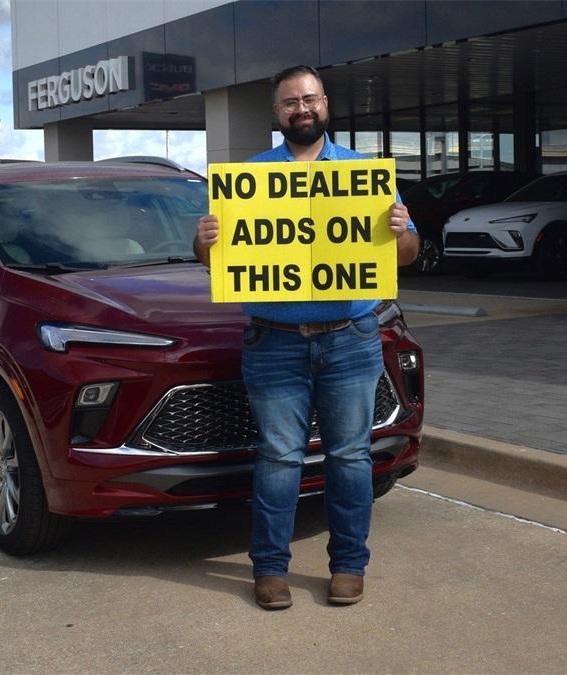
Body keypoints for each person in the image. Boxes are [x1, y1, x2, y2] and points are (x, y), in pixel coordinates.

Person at [193, 65, 419, 610]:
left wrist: (401, 232)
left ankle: (349, 566)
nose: (302, 109)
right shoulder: (250, 179)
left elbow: (405, 256)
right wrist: (204, 240)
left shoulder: (364, 175)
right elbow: (214, 262)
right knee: (278, 457)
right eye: (290, 102)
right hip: (274, 341)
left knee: (349, 457)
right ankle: (270, 570)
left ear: (326, 105)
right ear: (278, 114)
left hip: (351, 339)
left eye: (310, 99)